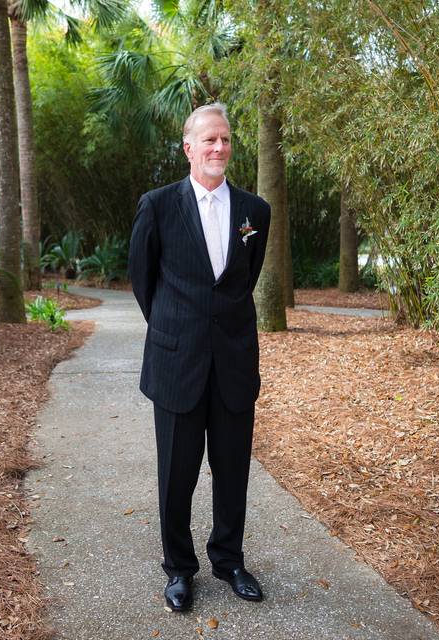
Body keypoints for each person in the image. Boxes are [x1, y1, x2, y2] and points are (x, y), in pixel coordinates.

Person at [128, 103, 271, 612]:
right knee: (177, 475)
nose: (218, 148)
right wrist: (176, 328)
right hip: (176, 363)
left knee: (232, 470)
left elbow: (243, 280)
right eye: (208, 140)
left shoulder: (256, 211)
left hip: (233, 361)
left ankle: (229, 560)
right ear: (188, 147)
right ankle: (179, 570)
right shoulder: (158, 205)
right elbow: (144, 282)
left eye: (225, 140)